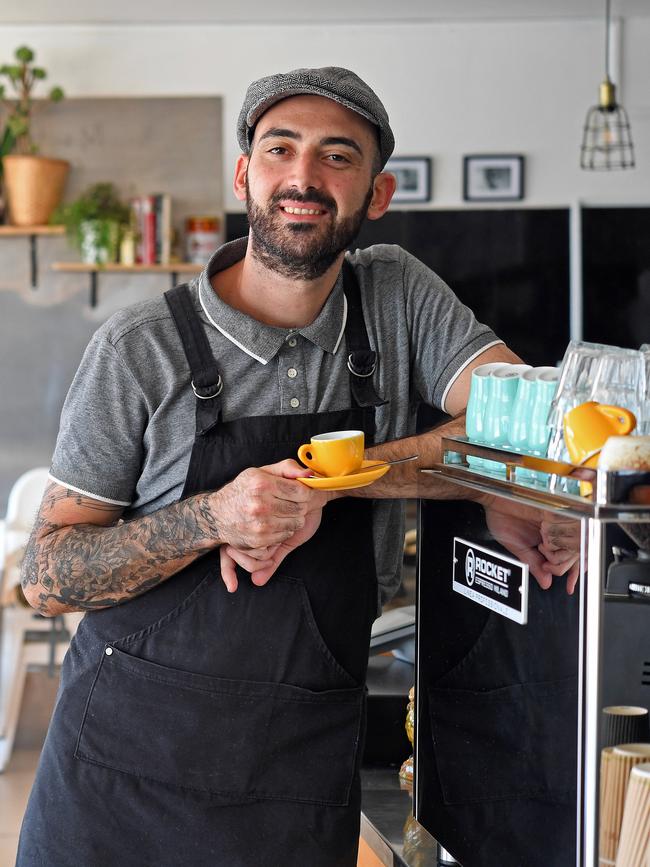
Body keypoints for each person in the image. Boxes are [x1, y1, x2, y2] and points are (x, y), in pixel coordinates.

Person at [16, 66, 578, 867]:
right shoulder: (138, 347)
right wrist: (212, 517)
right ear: (246, 175)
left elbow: (532, 420)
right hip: (123, 781)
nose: (305, 176)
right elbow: (47, 574)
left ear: (377, 194)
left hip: (295, 774)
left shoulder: (395, 298)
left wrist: (337, 479)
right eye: (282, 148)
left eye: (338, 156)